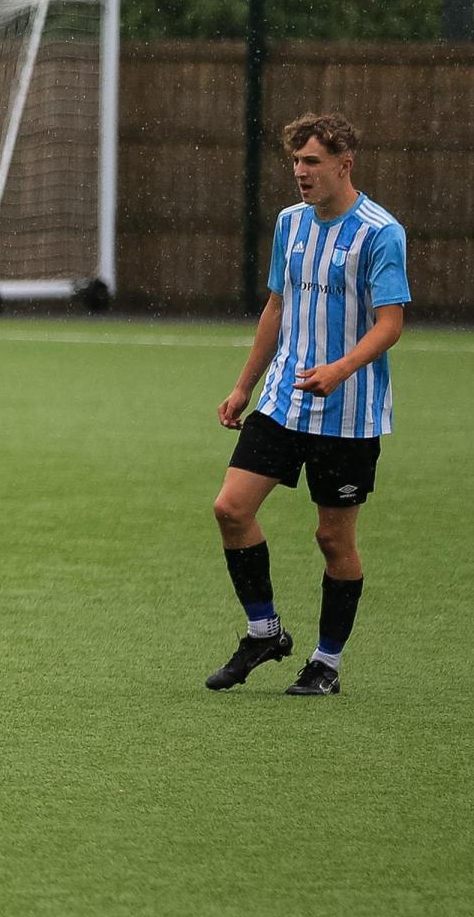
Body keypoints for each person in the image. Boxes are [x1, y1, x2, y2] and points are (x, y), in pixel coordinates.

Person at [206, 113, 408, 697]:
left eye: (312, 161)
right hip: (282, 401)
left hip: (348, 413)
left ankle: (326, 663)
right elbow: (277, 307)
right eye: (296, 161)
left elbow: (390, 324)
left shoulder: (379, 232)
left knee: (333, 539)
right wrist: (245, 383)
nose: (300, 172)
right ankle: (264, 631)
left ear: (345, 164)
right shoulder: (290, 224)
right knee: (230, 509)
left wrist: (340, 369)